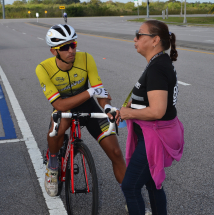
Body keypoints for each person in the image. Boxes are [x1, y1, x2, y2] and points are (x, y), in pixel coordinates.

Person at [35, 24, 126, 197]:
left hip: (88, 106)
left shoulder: (86, 59)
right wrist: (90, 91)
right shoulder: (43, 68)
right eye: (64, 47)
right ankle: (53, 165)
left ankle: (131, 195)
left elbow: (100, 90)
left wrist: (107, 107)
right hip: (65, 108)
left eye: (73, 44)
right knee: (55, 132)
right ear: (54, 51)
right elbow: (60, 105)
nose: (71, 50)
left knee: (116, 152)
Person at [120, 20, 185, 215]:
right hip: (154, 133)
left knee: (130, 187)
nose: (135, 38)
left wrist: (128, 113)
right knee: (152, 184)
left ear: (155, 40)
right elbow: (150, 96)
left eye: (139, 34)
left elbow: (157, 110)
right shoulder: (158, 62)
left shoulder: (157, 67)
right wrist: (132, 105)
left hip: (156, 135)